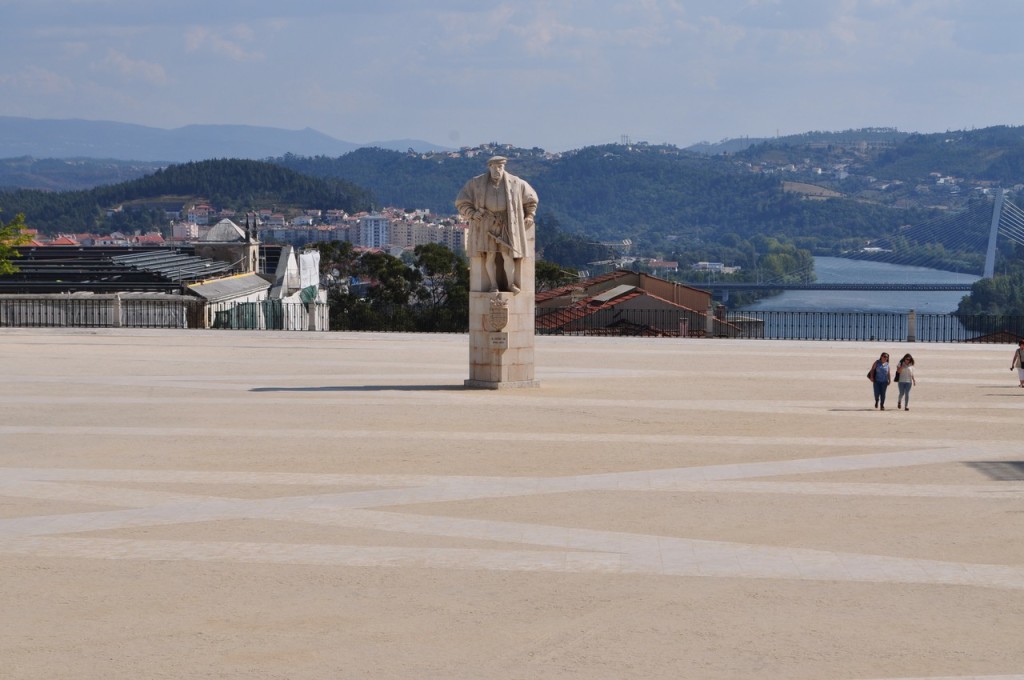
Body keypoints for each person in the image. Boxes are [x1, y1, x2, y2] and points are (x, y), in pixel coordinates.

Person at [456, 156, 539, 294]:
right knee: (490, 255)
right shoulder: (477, 183)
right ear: (489, 167)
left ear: (504, 167)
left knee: (507, 254)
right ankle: (493, 285)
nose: (497, 170)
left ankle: (511, 283)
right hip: (486, 223)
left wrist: (530, 215)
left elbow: (532, 199)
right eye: (494, 167)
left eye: (500, 167)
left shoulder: (516, 182)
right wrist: (471, 213)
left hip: (507, 223)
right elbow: (461, 201)